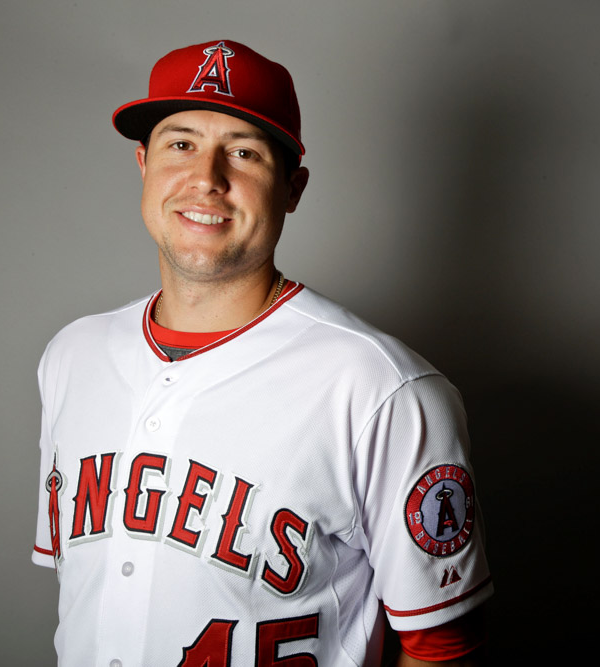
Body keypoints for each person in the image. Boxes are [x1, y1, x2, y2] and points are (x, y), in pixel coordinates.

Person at [32, 39, 492, 666]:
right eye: (181, 144)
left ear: (293, 187)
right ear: (143, 163)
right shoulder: (71, 356)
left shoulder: (382, 388)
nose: (206, 179)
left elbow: (441, 647)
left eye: (244, 152)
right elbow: (96, 590)